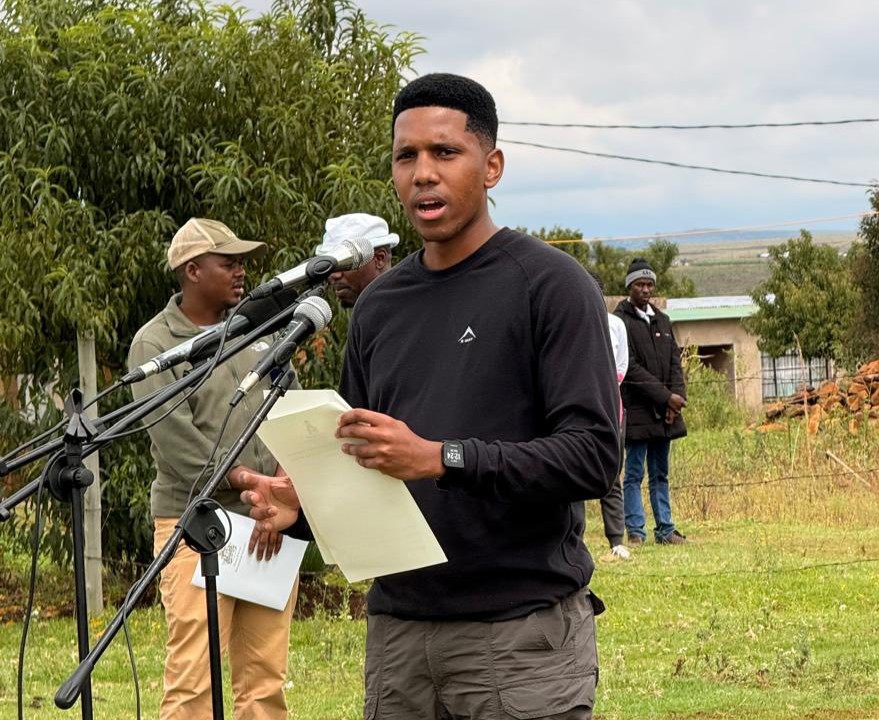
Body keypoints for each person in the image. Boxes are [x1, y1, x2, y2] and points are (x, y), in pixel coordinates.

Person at [236, 73, 620, 719]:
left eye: (445, 153)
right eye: (405, 156)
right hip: (399, 636)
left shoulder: (550, 285)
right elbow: (355, 450)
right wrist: (299, 501)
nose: (422, 174)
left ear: (491, 165)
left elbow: (591, 457)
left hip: (518, 634)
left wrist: (443, 458)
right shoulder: (381, 304)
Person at [127, 218, 297, 720]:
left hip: (268, 525)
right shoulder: (155, 345)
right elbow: (178, 443)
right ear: (193, 270)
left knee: (264, 682)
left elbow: (287, 409)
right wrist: (250, 483)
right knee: (194, 684)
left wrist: (278, 495)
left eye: (243, 262)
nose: (242, 272)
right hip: (195, 527)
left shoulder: (256, 329)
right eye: (230, 263)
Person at [613, 258, 688, 545]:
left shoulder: (663, 321)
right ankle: (635, 531)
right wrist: (665, 396)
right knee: (633, 472)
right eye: (639, 284)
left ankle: (666, 530)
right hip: (638, 409)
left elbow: (674, 363)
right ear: (629, 287)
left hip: (665, 412)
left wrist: (675, 401)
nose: (645, 289)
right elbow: (630, 368)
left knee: (660, 472)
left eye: (649, 285)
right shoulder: (621, 321)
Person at [588, 272, 631, 560]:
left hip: (610, 403)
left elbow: (622, 364)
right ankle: (572, 539)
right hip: (573, 406)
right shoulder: (567, 320)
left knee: (611, 472)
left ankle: (616, 539)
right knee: (570, 470)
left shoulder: (615, 325)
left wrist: (604, 385)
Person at [322, 213, 399, 308]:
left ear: (379, 259)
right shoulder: (367, 316)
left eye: (345, 262)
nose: (334, 275)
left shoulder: (410, 310)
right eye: (330, 264)